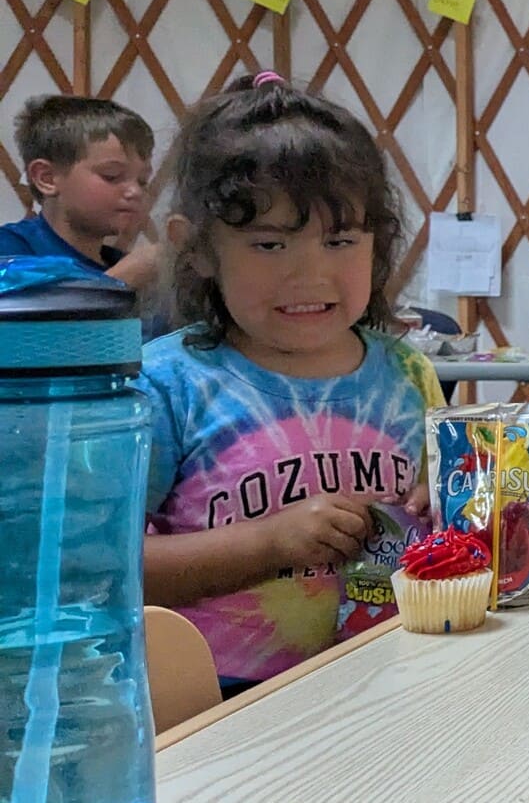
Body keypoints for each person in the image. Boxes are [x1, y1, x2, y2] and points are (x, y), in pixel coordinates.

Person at [140, 73, 444, 695]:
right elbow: (100, 574)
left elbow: (446, 516)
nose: (310, 273)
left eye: (340, 240)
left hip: (392, 681)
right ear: (195, 248)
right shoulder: (165, 387)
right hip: (218, 705)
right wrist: (268, 541)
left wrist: (441, 504)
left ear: (378, 243)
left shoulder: (408, 375)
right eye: (270, 244)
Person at [1, 95, 160, 290]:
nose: (135, 191)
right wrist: (120, 282)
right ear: (47, 178)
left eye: (142, 181)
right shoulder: (10, 252)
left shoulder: (119, 262)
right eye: (112, 176)